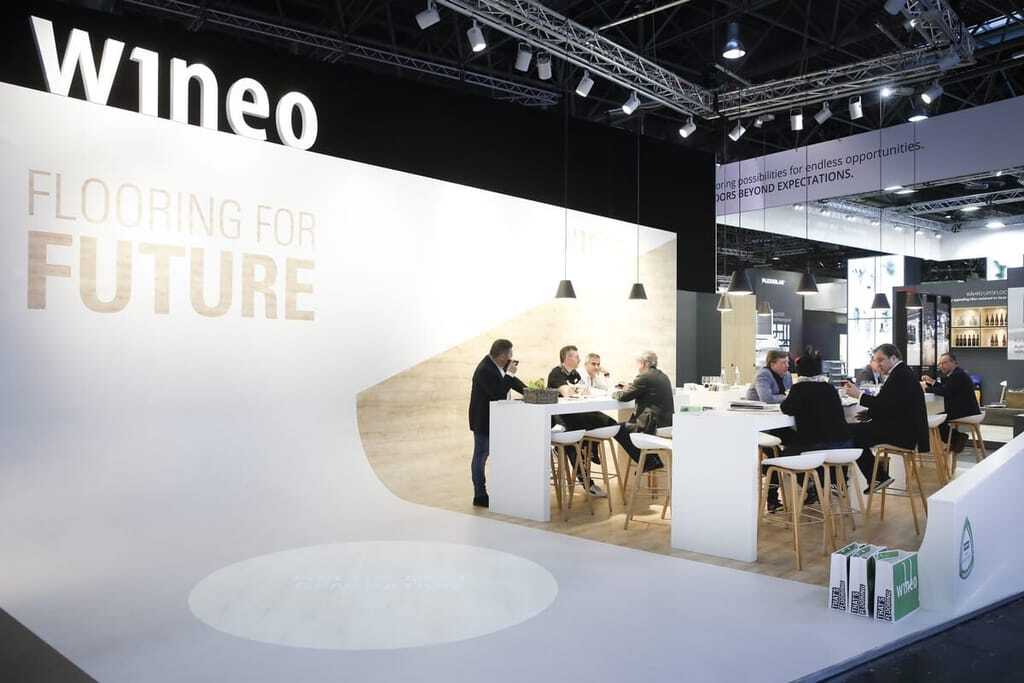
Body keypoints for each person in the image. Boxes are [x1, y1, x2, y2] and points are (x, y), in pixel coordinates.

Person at [767, 355, 853, 511]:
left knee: (779, 457)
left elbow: (786, 408)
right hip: (843, 445)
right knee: (795, 445)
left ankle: (778, 496)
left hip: (817, 446)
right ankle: (816, 486)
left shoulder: (799, 388)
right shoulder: (829, 388)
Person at [842, 344, 930, 493]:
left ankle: (868, 477)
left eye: (881, 360)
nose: (878, 364)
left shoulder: (900, 375)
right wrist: (870, 414)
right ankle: (876, 476)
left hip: (902, 434)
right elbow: (893, 405)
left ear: (893, 358)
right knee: (853, 432)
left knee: (848, 432)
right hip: (904, 429)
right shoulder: (902, 373)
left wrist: (859, 395)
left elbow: (885, 404)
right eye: (876, 360)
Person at [548, 345, 615, 497]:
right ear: (567, 358)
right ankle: (588, 483)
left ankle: (591, 449)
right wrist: (576, 390)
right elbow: (567, 392)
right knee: (574, 443)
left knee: (607, 422)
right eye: (576, 356)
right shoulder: (556, 373)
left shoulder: (575, 374)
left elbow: (584, 391)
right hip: (561, 421)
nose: (579, 359)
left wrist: (578, 390)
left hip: (575, 416)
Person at [468, 339, 526, 508]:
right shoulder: (485, 369)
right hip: (483, 421)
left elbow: (513, 383)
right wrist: (510, 374)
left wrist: (531, 391)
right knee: (481, 456)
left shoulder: (499, 366)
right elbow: (499, 393)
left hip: (497, 421)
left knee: (497, 456)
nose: (512, 358)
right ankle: (480, 495)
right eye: (510, 355)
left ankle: (502, 490)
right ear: (501, 356)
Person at [612, 351, 674, 471]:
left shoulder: (644, 377)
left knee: (618, 429)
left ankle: (648, 461)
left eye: (638, 363)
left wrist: (614, 393)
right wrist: (630, 387)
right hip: (666, 424)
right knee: (626, 428)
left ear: (644, 363)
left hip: (652, 424)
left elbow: (624, 397)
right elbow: (644, 390)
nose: (637, 367)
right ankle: (652, 459)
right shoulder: (663, 376)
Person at [922, 352, 980, 452]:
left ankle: (957, 438)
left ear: (954, 363)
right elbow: (946, 388)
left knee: (937, 419)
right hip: (966, 408)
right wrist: (932, 382)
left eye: (944, 363)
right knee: (938, 417)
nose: (941, 366)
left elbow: (945, 391)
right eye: (940, 364)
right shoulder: (957, 373)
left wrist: (926, 389)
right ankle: (956, 440)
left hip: (965, 410)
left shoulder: (957, 375)